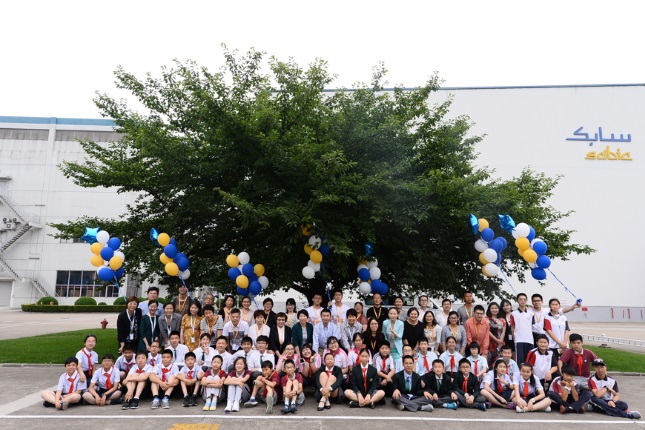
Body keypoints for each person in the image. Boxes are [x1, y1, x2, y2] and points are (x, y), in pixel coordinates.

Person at [510, 293, 535, 364]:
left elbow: (533, 326)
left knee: (529, 360)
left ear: (526, 301)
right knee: (520, 361)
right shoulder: (514, 313)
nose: (523, 301)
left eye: (524, 299)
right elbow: (512, 326)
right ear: (517, 301)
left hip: (530, 340)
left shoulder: (531, 314)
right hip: (519, 340)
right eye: (520, 299)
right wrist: (514, 337)